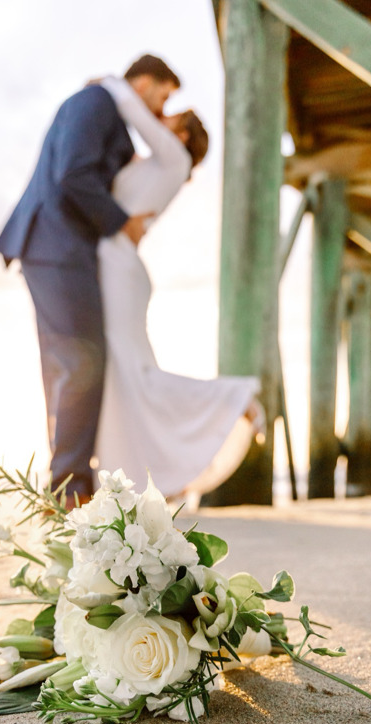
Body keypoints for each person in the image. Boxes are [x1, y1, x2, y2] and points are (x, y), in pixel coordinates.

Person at [0, 54, 180, 507]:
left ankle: (65, 481)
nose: (161, 105)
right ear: (144, 82)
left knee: (66, 364)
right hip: (57, 245)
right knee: (82, 361)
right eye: (163, 93)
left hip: (54, 246)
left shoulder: (103, 109)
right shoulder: (97, 101)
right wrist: (123, 223)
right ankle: (70, 486)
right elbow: (74, 174)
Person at [93, 76, 262, 499]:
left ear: (181, 133)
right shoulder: (154, 166)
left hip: (118, 268)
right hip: (119, 266)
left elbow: (131, 109)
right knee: (129, 377)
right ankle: (142, 475)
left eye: (170, 113)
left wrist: (108, 83)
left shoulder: (175, 159)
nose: (160, 116)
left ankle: (232, 399)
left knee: (130, 376)